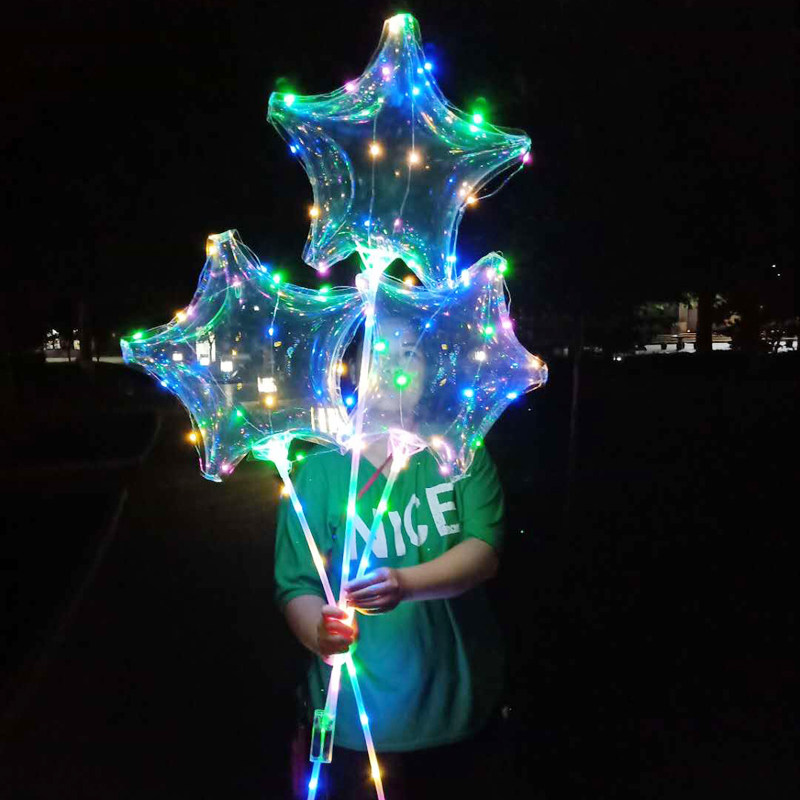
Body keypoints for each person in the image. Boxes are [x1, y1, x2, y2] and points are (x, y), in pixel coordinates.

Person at [274, 324, 509, 799]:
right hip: (354, 719)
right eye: (378, 352)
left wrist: (404, 583)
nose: (394, 366)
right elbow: (297, 584)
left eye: (409, 353)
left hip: (458, 706)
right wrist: (320, 634)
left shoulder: (459, 449)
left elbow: (484, 551)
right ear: (352, 371)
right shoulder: (321, 467)